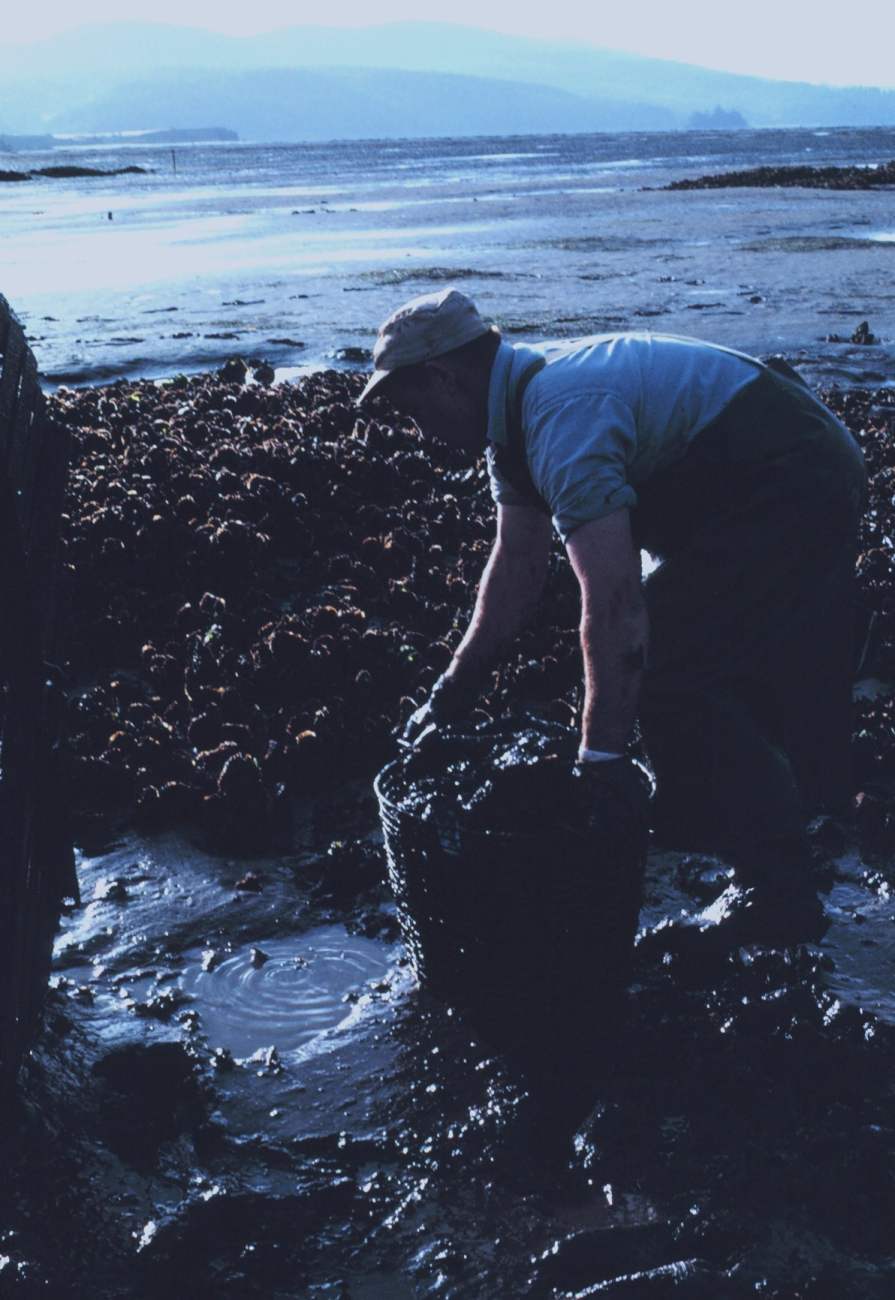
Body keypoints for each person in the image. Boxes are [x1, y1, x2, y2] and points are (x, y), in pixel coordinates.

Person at [358, 286, 868, 949]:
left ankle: (777, 892)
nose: (416, 431)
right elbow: (516, 572)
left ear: (441, 376)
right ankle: (789, 823)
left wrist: (600, 761)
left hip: (794, 472)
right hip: (747, 481)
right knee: (701, 655)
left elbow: (616, 606)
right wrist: (451, 693)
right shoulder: (513, 425)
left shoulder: (559, 415)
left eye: (411, 409)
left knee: (665, 660)